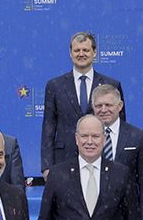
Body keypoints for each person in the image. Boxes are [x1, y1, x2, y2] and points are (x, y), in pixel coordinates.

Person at [41, 31, 122, 175]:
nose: (81, 54)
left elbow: (119, 127)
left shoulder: (111, 85)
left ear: (94, 52)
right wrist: (46, 166)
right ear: (70, 53)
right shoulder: (55, 86)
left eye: (86, 50)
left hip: (101, 158)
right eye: (77, 50)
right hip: (64, 159)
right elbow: (48, 127)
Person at [94, 83, 143, 220]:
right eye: (99, 105)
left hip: (128, 217)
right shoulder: (83, 137)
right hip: (93, 216)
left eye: (108, 105)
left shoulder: (138, 137)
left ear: (120, 106)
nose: (103, 110)